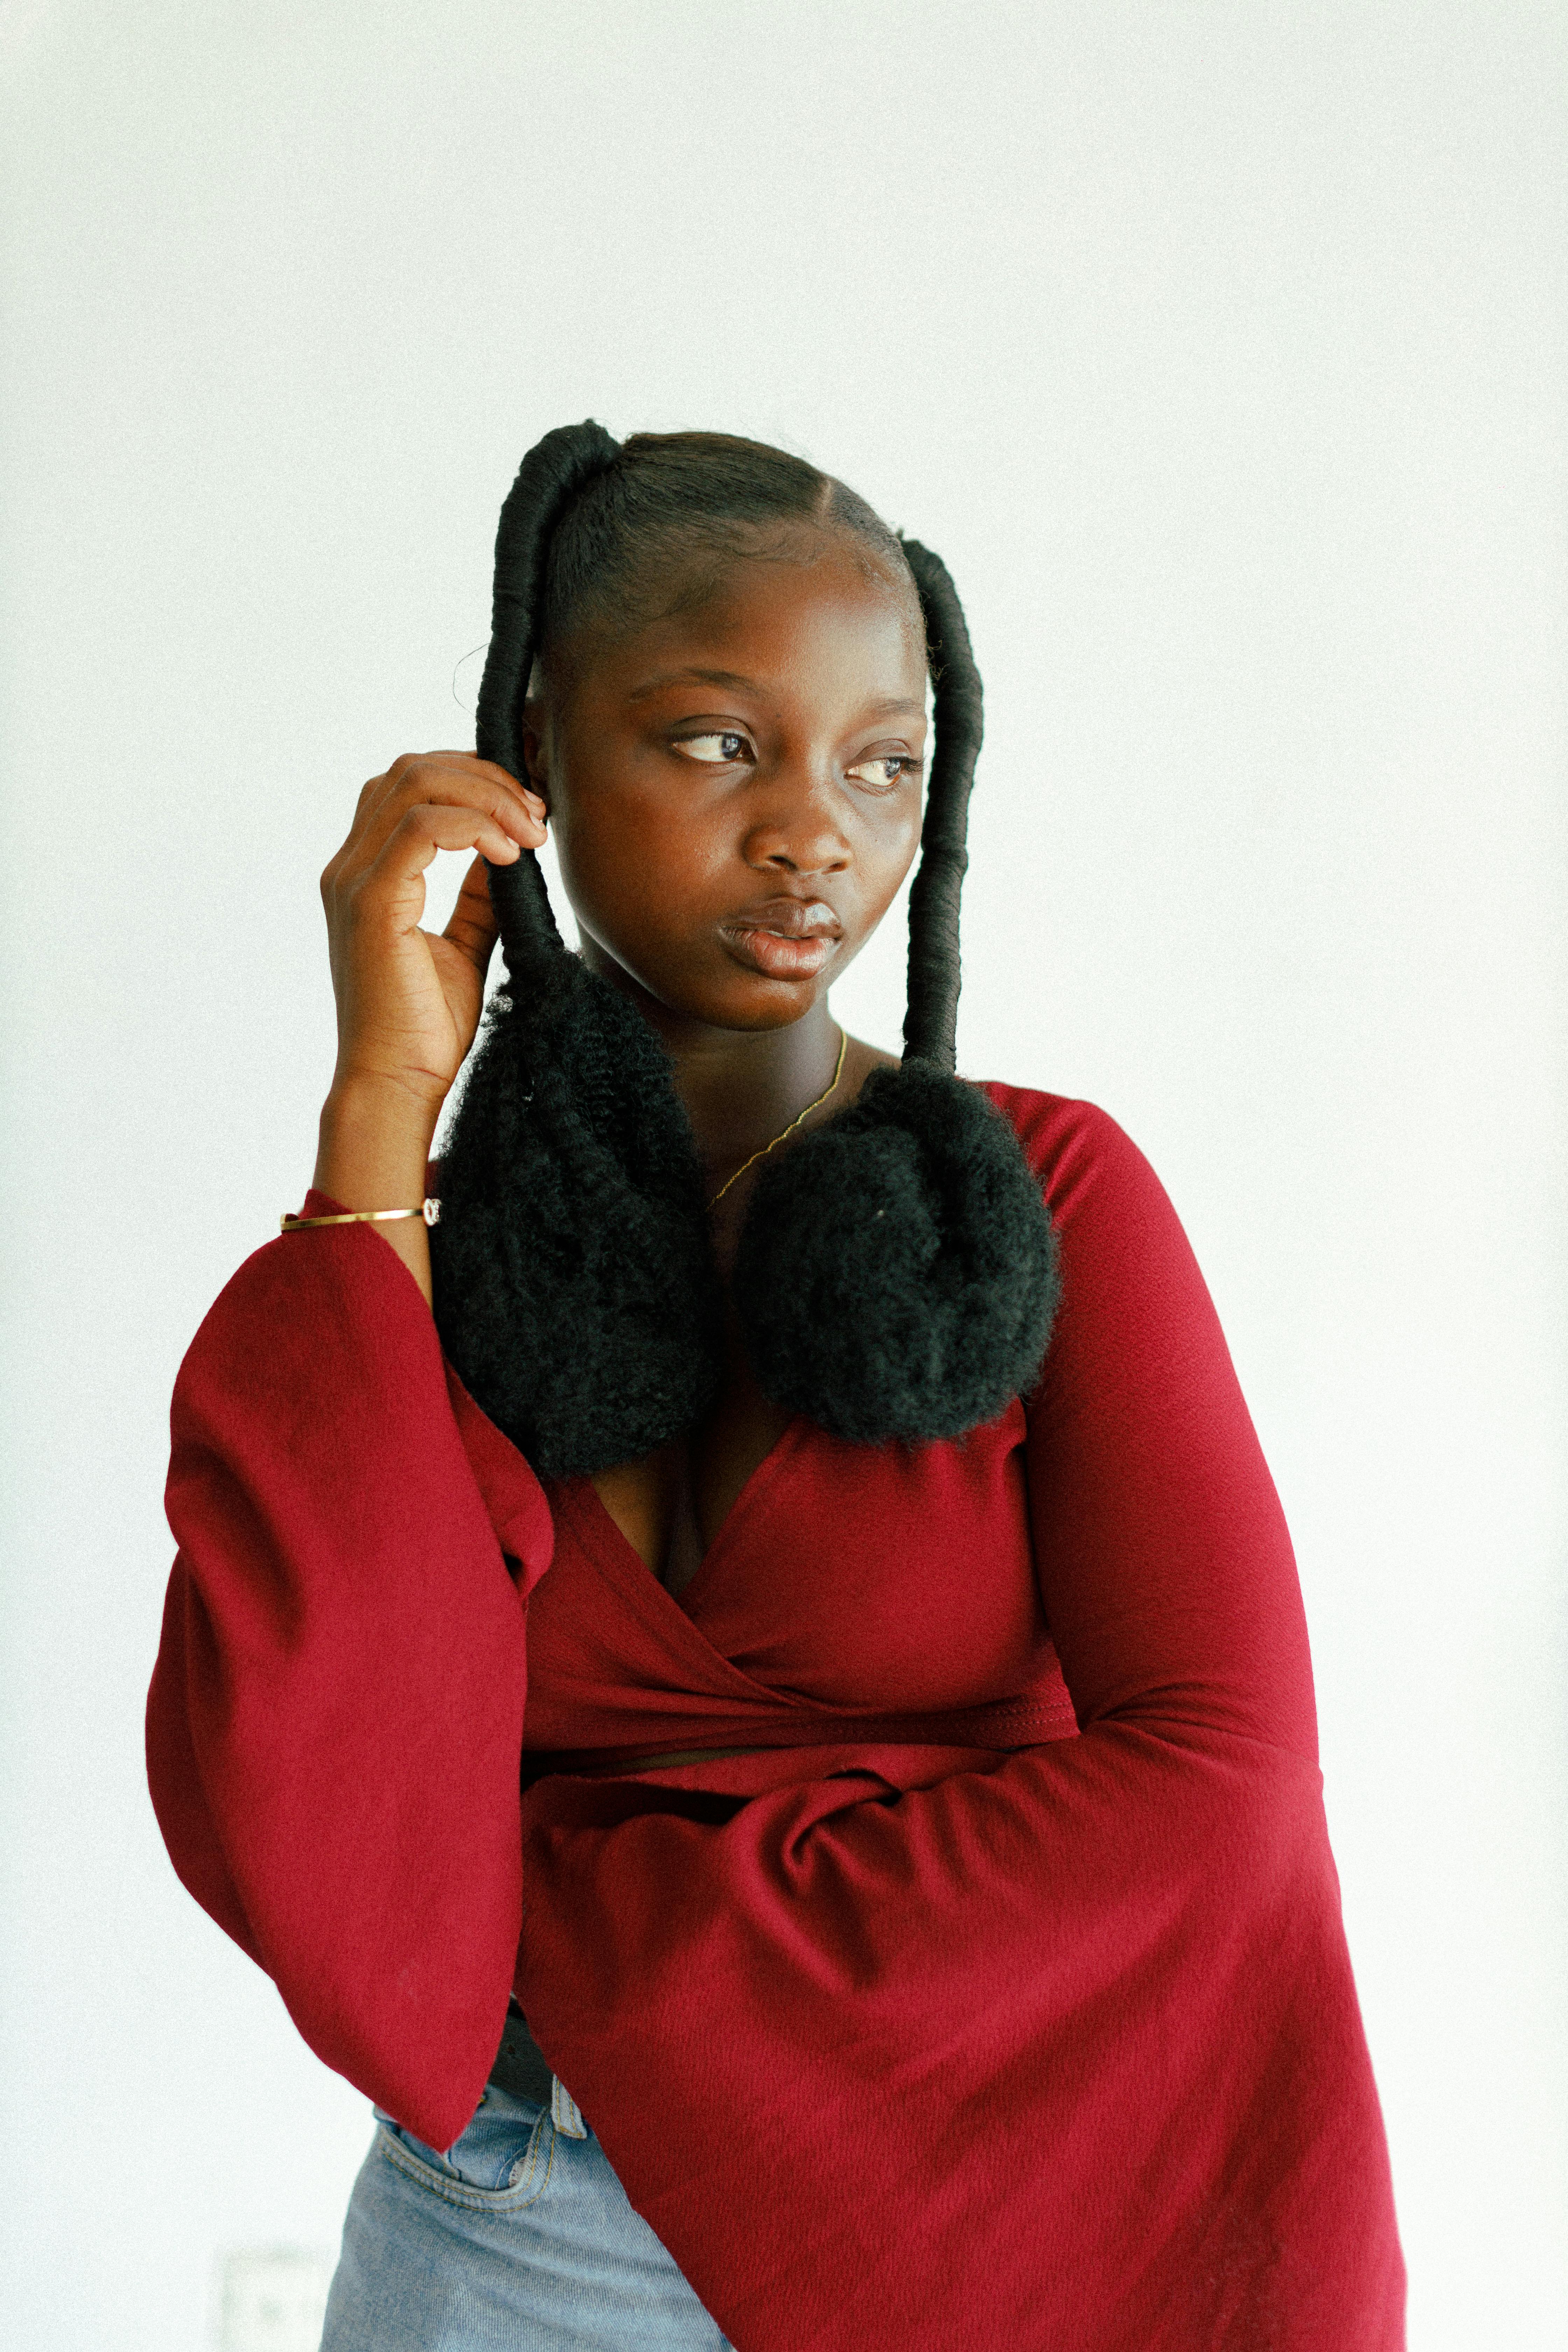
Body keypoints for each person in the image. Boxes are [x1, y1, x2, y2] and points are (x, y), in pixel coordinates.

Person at [147, 425, 1406, 2350]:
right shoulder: (444, 1244)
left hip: (987, 2211)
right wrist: (384, 1104)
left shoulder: (1052, 1203)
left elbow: (1224, 1798)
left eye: (882, 765)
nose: (817, 829)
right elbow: (318, 1783)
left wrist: (634, 1955)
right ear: (540, 754)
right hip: (511, 2217)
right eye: (723, 742)